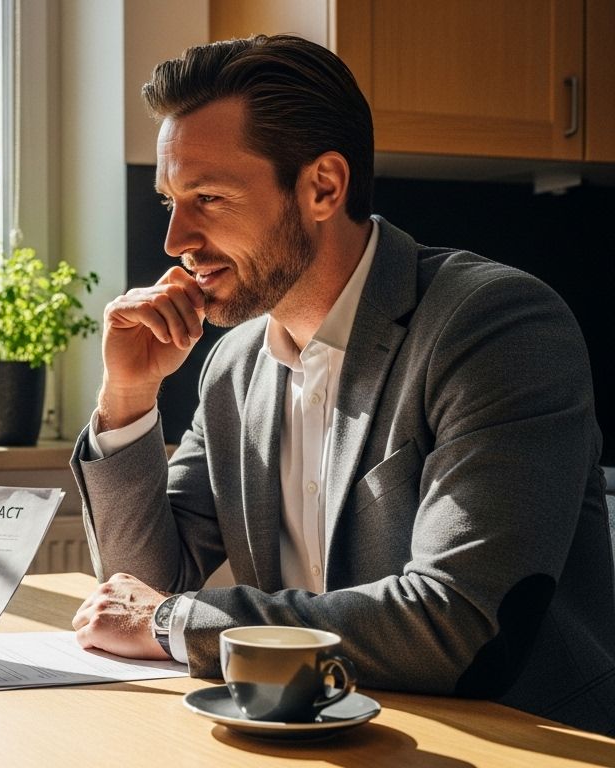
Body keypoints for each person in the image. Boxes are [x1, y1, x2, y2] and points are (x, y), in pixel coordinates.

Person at [69, 35, 614, 735]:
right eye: (171, 199)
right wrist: (127, 399)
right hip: (315, 731)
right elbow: (138, 587)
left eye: (207, 197)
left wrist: (177, 621)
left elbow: (455, 624)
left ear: (323, 186)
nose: (176, 238)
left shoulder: (495, 327)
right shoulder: (235, 366)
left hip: (515, 737)